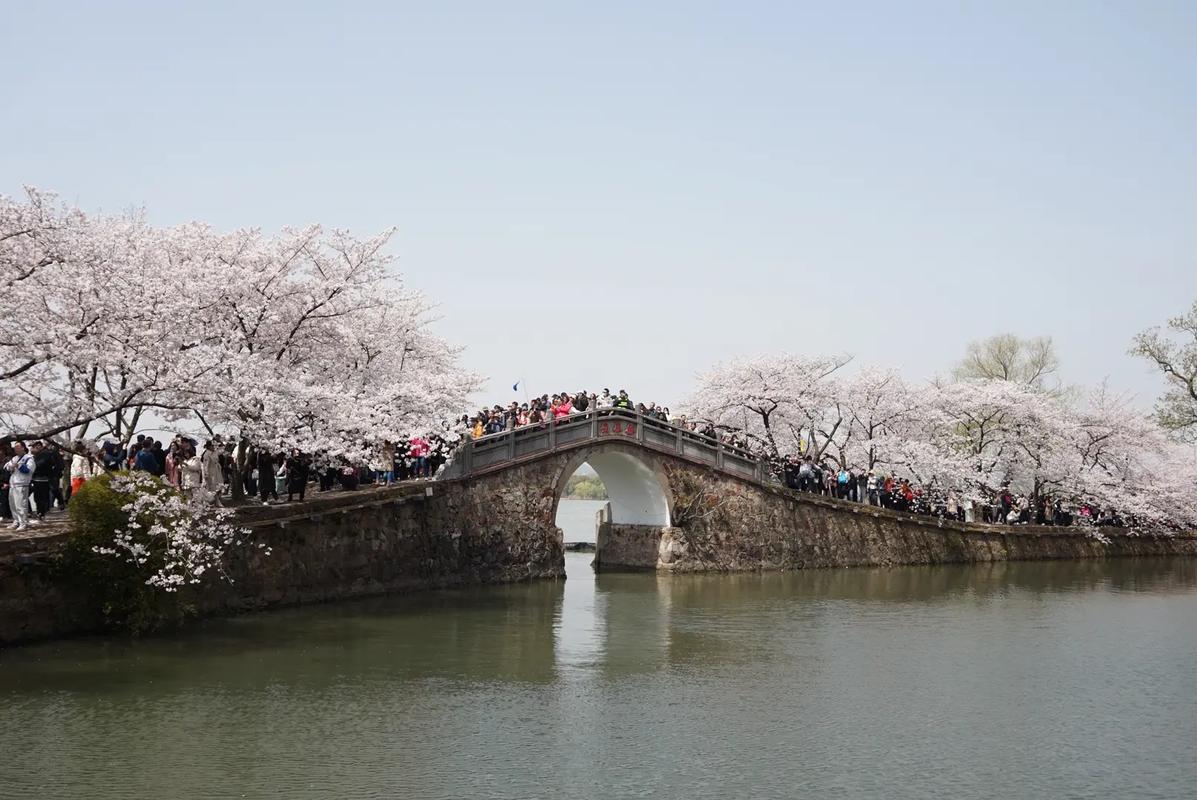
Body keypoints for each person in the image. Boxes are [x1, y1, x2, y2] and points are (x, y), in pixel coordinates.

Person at [6, 442, 35, 531]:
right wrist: (11, 467)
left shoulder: (29, 458)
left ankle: (23, 523)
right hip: (13, 484)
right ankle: (16, 521)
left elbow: (28, 470)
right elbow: (7, 467)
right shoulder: (14, 458)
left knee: (21, 505)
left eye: (18, 447)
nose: (16, 448)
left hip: (22, 484)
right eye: (15, 447)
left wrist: (18, 465)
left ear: (23, 448)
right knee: (13, 504)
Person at [30, 441, 54, 521]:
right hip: (35, 479)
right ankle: (39, 512)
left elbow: (40, 464)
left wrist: (34, 466)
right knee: (37, 498)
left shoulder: (45, 455)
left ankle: (41, 513)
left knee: (42, 498)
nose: (32, 449)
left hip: (43, 479)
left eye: (34, 447)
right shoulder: (34, 457)